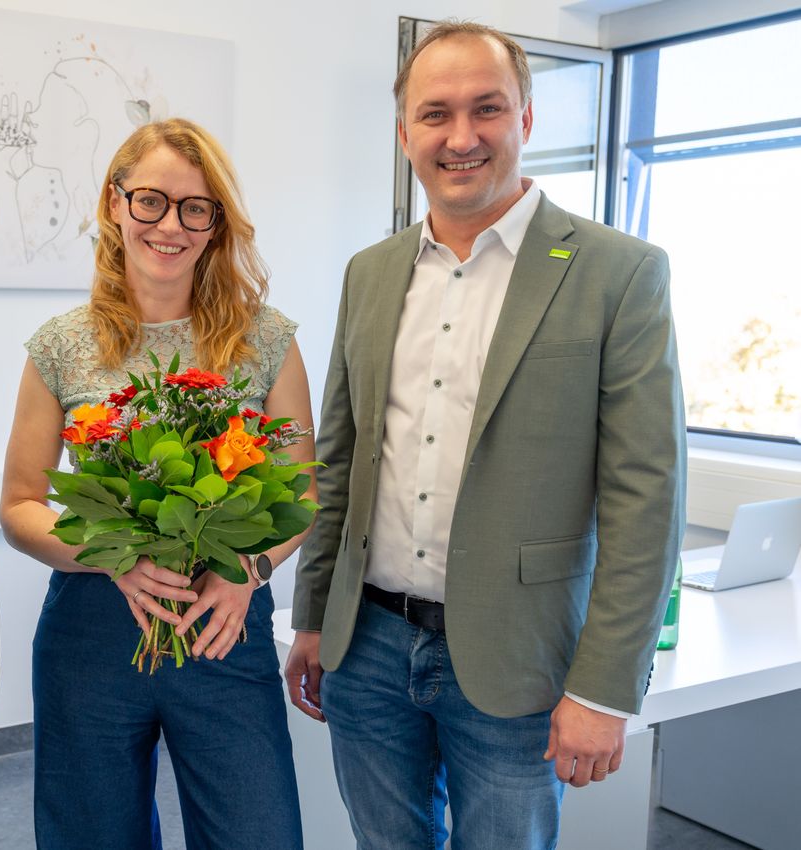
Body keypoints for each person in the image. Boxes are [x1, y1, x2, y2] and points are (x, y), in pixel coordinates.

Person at [285, 20, 686, 850]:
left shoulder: (620, 273)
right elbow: (340, 458)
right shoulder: (370, 272)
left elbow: (647, 499)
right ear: (404, 134)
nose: (460, 137)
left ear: (527, 120)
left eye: (487, 109)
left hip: (522, 662)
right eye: (434, 114)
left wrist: (605, 690)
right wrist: (315, 616)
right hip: (369, 647)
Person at [0, 118, 314, 850]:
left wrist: (248, 571)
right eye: (150, 201)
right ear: (114, 204)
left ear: (216, 225)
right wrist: (118, 560)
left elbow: (302, 495)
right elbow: (18, 506)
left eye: (195, 208)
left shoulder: (267, 340)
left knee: (257, 832)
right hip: (92, 627)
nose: (170, 224)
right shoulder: (61, 344)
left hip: (223, 620)